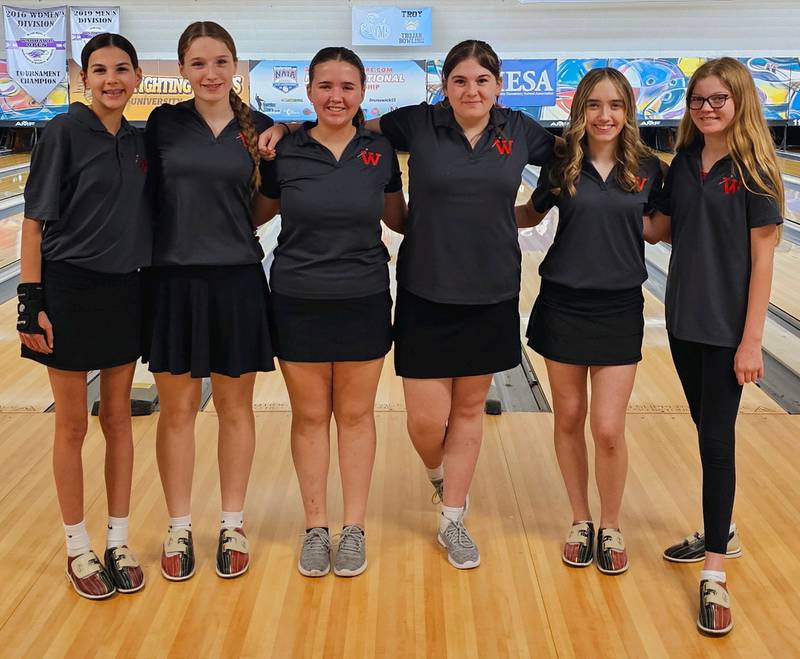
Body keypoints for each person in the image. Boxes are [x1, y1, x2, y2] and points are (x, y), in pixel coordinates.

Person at [261, 39, 557, 569]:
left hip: (490, 289)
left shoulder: (519, 130)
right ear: (443, 86)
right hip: (422, 289)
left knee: (467, 412)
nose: (471, 89)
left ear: (498, 85)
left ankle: (453, 518)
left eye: (482, 80)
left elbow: (573, 156)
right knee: (425, 423)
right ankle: (433, 481)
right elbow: (351, 131)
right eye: (459, 80)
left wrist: (529, 213)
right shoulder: (415, 124)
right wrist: (283, 128)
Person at [252, 46, 406, 578]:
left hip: (363, 296)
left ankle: (354, 528)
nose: (336, 96)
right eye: (325, 86)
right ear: (309, 91)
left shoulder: (381, 150)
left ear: (363, 93)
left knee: (357, 416)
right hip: (297, 298)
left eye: (347, 87)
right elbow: (254, 213)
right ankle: (317, 527)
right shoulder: (285, 150)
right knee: (312, 416)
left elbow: (398, 218)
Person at [645, 57, 783, 635]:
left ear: (740, 102)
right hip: (683, 322)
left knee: (717, 441)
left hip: (729, 332)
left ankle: (715, 572)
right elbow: (663, 230)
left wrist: (752, 342)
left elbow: (763, 258)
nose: (706, 108)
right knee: (705, 433)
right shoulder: (681, 163)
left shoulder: (755, 170)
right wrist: (633, 193)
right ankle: (719, 527)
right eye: (698, 99)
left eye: (717, 99)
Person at [18, 33, 149, 599]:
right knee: (72, 423)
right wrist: (30, 302)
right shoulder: (63, 133)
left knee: (118, 418)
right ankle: (78, 546)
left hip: (125, 290)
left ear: (139, 76)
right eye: (100, 70)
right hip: (69, 290)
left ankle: (118, 538)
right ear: (84, 78)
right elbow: (33, 222)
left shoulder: (139, 142)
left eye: (122, 69)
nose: (112, 79)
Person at [517, 67, 664, 575]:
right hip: (562, 304)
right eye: (595, 106)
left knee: (606, 428)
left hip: (620, 307)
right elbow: (530, 216)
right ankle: (581, 519)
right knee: (568, 417)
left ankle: (612, 521)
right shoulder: (563, 165)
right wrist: (465, 209)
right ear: (580, 111)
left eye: (616, 106)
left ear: (628, 112)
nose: (605, 116)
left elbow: (657, 226)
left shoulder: (647, 166)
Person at [144, 21, 275, 581]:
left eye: (221, 61)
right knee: (175, 412)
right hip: (174, 282)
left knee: (234, 410)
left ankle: (232, 522)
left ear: (236, 66)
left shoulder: (262, 129)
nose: (211, 73)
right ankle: (178, 525)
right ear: (181, 70)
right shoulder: (163, 124)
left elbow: (267, 203)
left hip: (238, 281)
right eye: (198, 63)